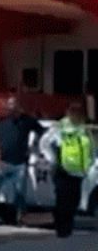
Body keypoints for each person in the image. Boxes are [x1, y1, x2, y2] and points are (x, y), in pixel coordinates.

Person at [0, 95, 44, 226]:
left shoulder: (27, 120)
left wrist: (33, 147)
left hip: (19, 163)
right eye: (10, 106)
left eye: (14, 106)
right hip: (2, 162)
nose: (12, 109)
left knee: (20, 193)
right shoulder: (0, 121)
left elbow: (41, 131)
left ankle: (19, 217)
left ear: (19, 107)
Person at [40, 102, 93, 238]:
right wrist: (52, 160)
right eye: (74, 112)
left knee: (73, 201)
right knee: (63, 200)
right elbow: (44, 143)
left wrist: (89, 163)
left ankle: (66, 226)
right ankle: (62, 228)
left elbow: (90, 147)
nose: (77, 115)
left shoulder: (83, 127)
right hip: (62, 169)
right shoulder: (60, 126)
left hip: (78, 171)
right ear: (69, 113)